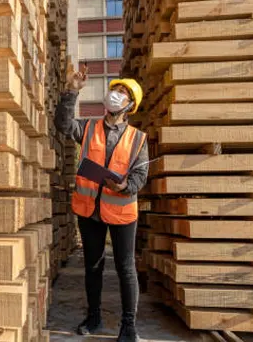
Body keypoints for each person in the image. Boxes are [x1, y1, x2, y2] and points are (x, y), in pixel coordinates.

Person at [54, 64, 149, 342]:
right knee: (93, 266)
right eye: (115, 90)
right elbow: (62, 124)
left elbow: (141, 174)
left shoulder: (137, 138)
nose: (116, 95)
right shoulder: (89, 127)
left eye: (123, 93)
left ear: (130, 105)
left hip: (121, 212)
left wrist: (125, 186)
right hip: (89, 210)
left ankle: (128, 326)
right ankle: (94, 316)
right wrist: (72, 91)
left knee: (125, 268)